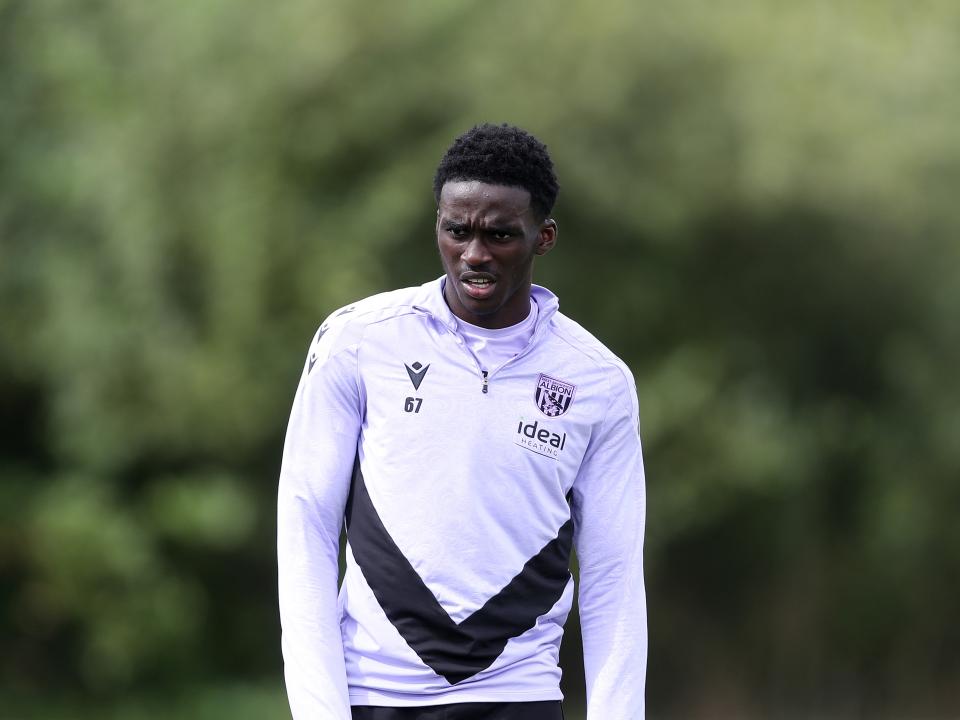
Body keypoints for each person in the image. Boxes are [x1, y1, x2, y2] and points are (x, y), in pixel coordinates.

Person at [278, 123, 647, 720]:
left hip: (516, 697)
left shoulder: (598, 381)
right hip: (376, 696)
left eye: (500, 235)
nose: (474, 254)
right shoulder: (358, 340)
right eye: (458, 231)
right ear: (439, 228)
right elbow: (305, 528)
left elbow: (614, 576)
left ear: (543, 237)